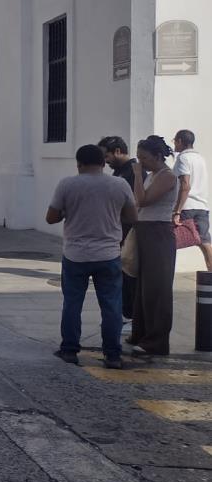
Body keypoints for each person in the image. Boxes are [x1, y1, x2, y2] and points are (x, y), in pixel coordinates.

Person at [46, 145, 137, 369]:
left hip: (75, 254)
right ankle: (112, 355)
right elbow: (132, 216)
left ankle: (69, 350)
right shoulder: (119, 184)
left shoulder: (68, 184)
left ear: (79, 164)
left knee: (72, 303)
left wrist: (69, 212)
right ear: (103, 163)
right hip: (108, 254)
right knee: (111, 306)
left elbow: (51, 217)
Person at [129, 135, 179, 357]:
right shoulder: (153, 175)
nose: (141, 162)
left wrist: (138, 175)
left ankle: (156, 340)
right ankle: (141, 332)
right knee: (143, 287)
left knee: (157, 288)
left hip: (158, 233)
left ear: (158, 156)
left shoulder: (167, 176)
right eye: (139, 157)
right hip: (145, 230)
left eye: (145, 158)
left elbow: (143, 200)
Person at [100, 136, 142, 328]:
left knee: (128, 275)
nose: (105, 160)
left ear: (117, 151)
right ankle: (125, 314)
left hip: (129, 232)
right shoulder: (119, 173)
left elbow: (135, 204)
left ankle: (130, 316)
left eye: (106, 155)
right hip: (117, 231)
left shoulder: (132, 173)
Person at [172, 130, 211, 271]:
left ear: (180, 141)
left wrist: (177, 211)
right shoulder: (200, 159)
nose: (174, 144)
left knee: (170, 242)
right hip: (202, 206)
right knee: (205, 243)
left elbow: (185, 185)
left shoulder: (183, 159)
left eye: (175, 141)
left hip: (186, 207)